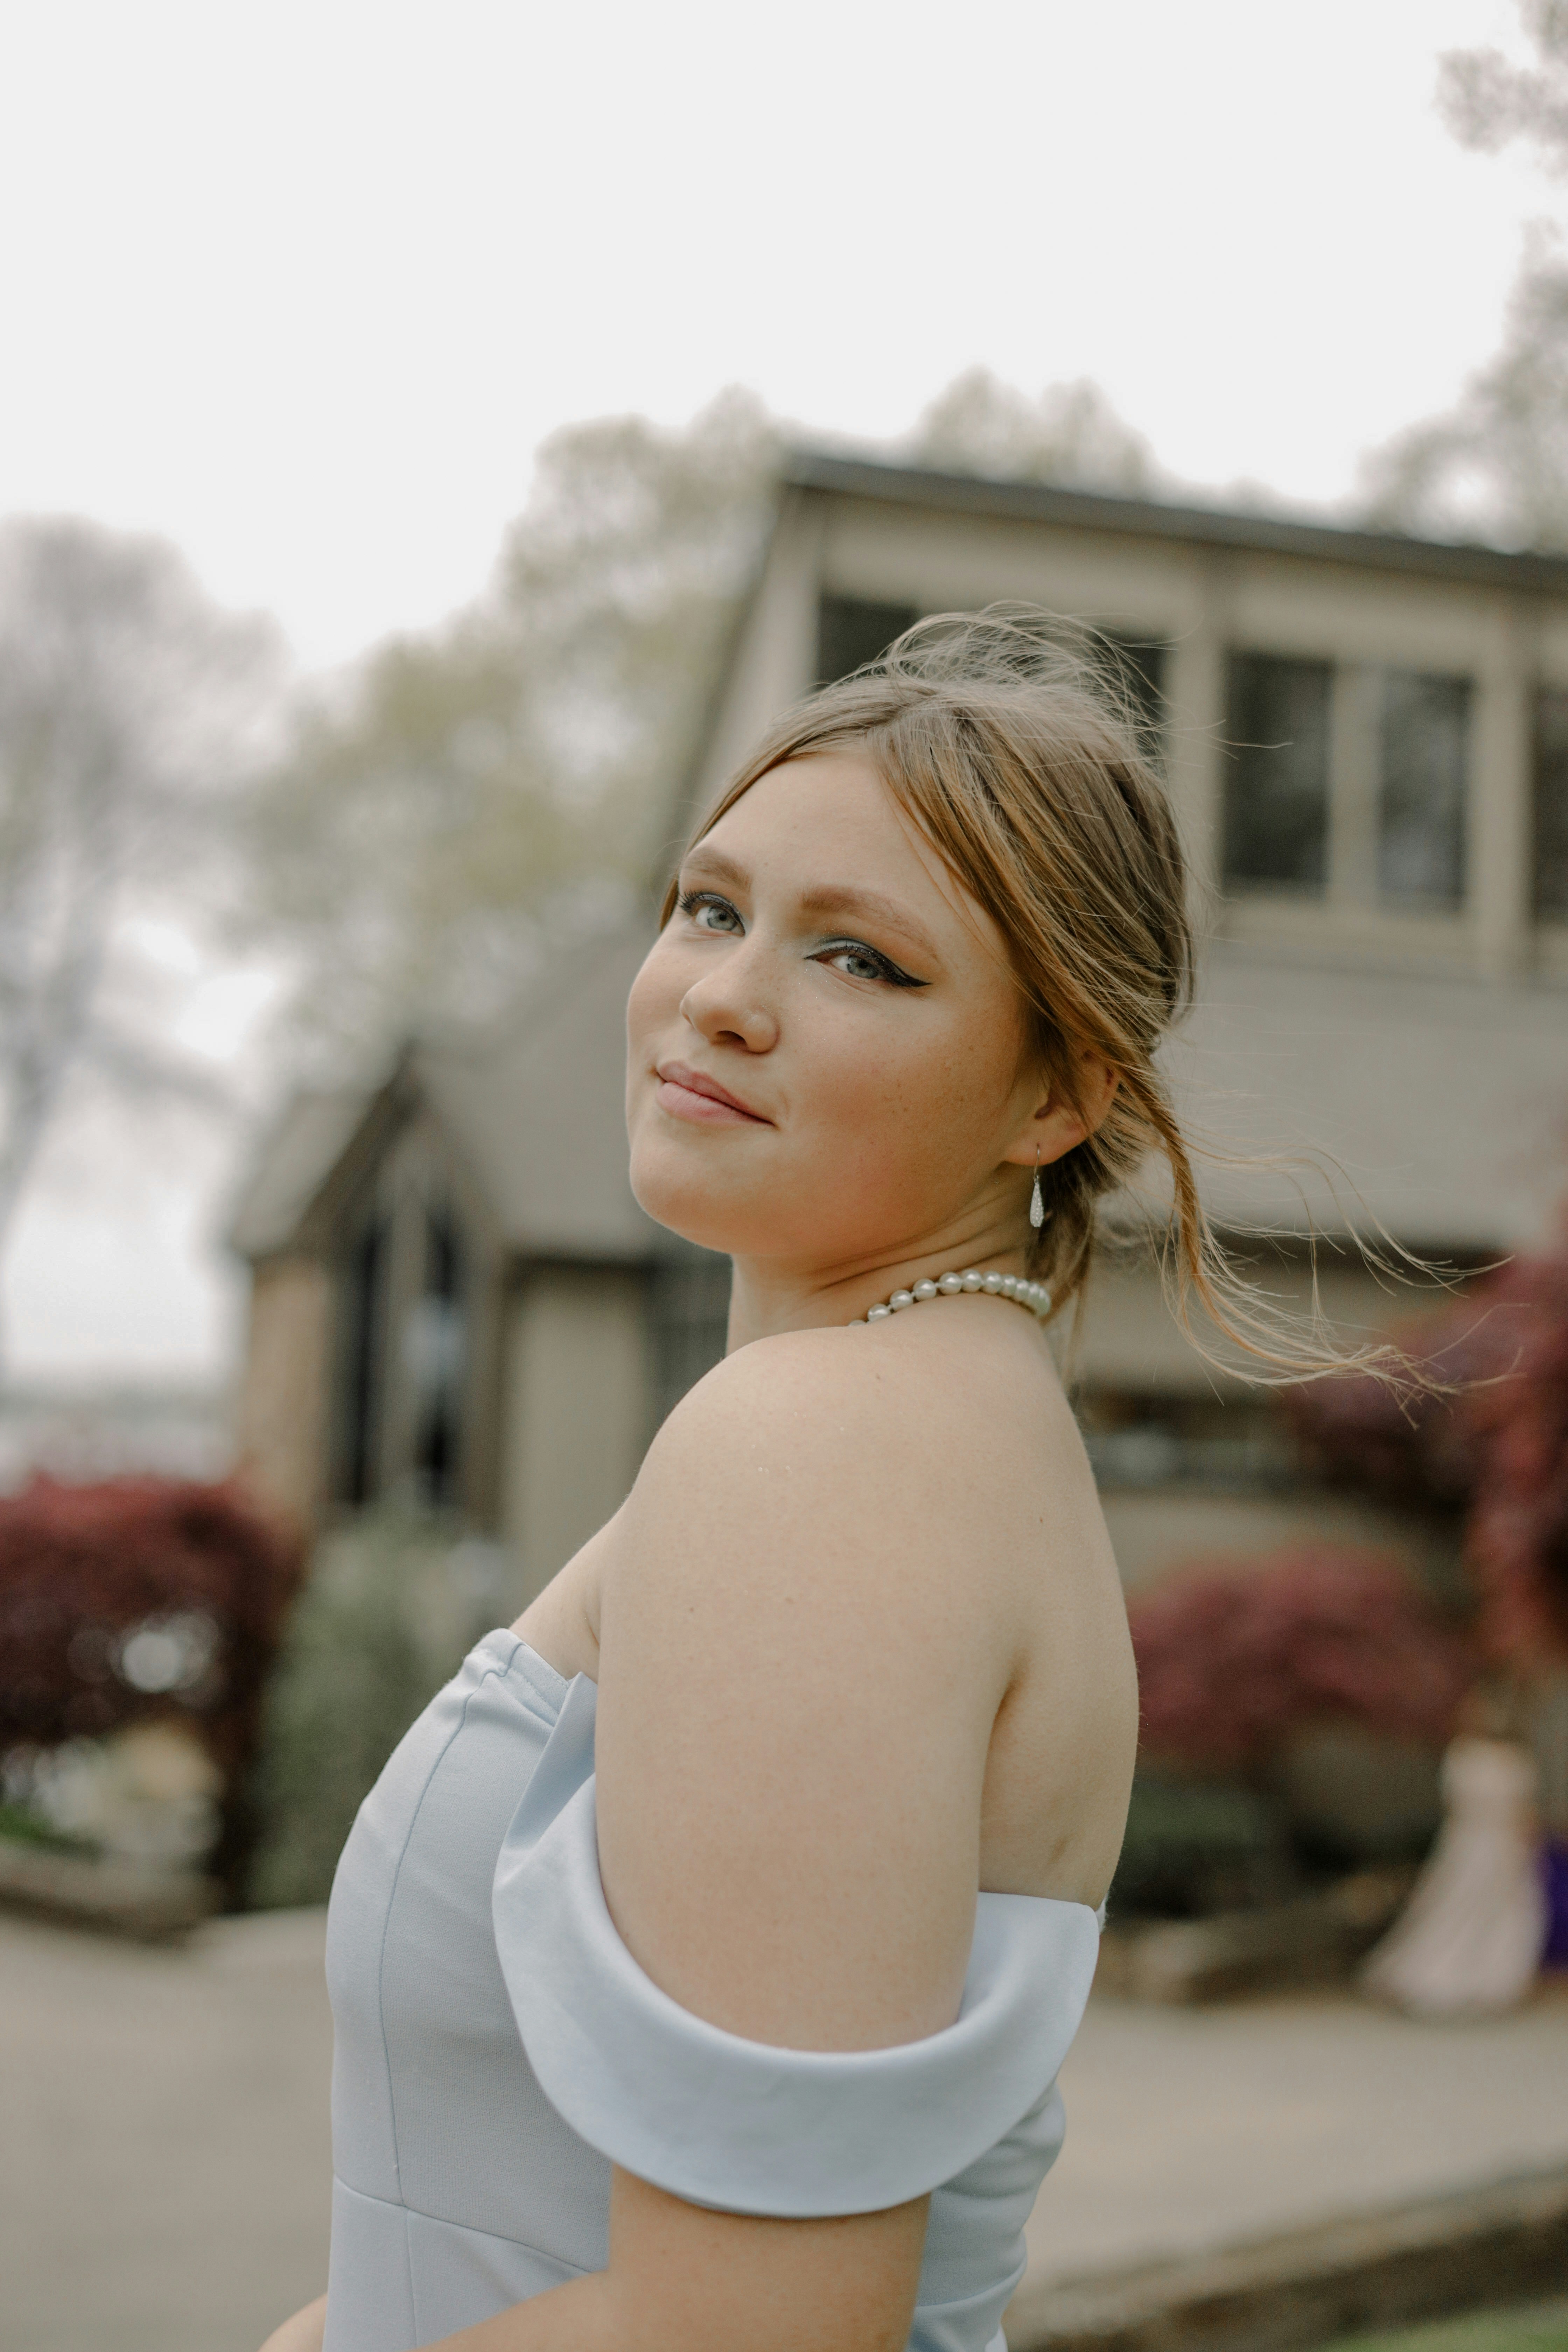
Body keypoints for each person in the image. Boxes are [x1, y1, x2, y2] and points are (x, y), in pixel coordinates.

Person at [260, 615, 1373, 2352]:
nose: (719, 992)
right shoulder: (935, 1424)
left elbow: (753, 2331)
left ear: (1057, 1092)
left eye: (860, 960)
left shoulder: (823, 1451)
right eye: (712, 906)